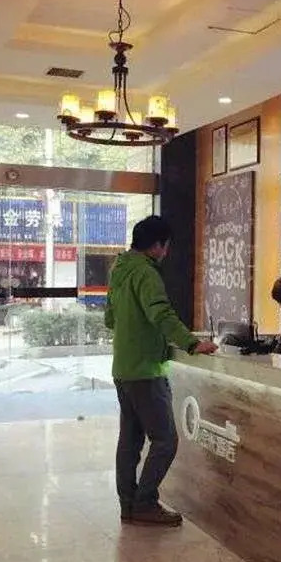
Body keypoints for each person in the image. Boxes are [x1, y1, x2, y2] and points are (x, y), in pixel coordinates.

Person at [105, 215, 217, 527]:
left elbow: (110, 319)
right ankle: (145, 503)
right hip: (145, 370)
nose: (166, 252)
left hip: (123, 367)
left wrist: (134, 327)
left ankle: (128, 504)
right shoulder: (146, 272)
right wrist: (192, 343)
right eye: (166, 246)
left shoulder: (120, 269)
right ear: (157, 245)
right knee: (165, 440)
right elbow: (161, 313)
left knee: (129, 441)